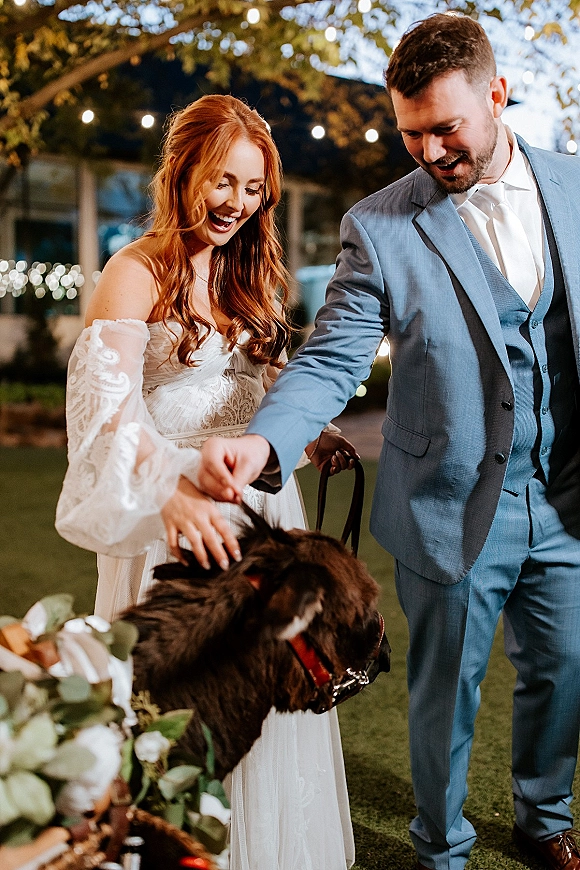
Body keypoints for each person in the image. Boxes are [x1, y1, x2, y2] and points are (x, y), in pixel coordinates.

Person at [196, 16, 580, 870]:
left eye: (449, 129)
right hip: (449, 498)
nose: (432, 151)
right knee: (445, 694)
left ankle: (543, 817)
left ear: (497, 96)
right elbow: (331, 359)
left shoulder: (575, 187)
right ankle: (442, 848)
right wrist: (263, 446)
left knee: (566, 672)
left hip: (567, 492)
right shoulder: (379, 225)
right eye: (413, 134)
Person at [55, 94, 357, 870]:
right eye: (222, 181)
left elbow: (263, 381)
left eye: (253, 188)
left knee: (261, 699)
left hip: (261, 509)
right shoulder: (134, 272)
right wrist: (173, 490)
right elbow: (105, 426)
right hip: (171, 520)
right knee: (186, 715)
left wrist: (310, 432)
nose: (236, 203)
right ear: (182, 169)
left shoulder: (242, 271)